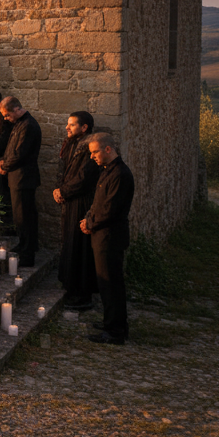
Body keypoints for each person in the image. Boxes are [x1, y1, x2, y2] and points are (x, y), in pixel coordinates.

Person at [82, 132, 136, 345]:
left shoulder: (120, 174)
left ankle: (115, 330)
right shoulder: (108, 171)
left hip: (110, 236)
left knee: (111, 283)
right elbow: (98, 202)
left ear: (108, 149)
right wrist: (88, 218)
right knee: (105, 283)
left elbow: (109, 209)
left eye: (95, 152)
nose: (92, 156)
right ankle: (111, 322)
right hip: (102, 234)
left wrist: (90, 224)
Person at [54, 112, 100, 310]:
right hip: (69, 200)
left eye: (72, 125)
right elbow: (63, 170)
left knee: (80, 247)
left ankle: (82, 294)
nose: (67, 127)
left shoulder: (90, 148)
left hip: (81, 202)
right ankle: (71, 287)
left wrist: (64, 191)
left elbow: (84, 177)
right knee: (70, 243)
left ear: (84, 127)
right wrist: (58, 189)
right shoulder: (70, 144)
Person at [0, 96, 42, 267]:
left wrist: (4, 166)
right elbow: (11, 149)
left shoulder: (28, 125)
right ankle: (23, 245)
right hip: (17, 177)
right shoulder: (18, 124)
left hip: (24, 177)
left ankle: (27, 254)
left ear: (17, 109)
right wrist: (3, 161)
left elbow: (19, 153)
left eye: (7, 115)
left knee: (25, 216)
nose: (5, 118)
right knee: (19, 216)